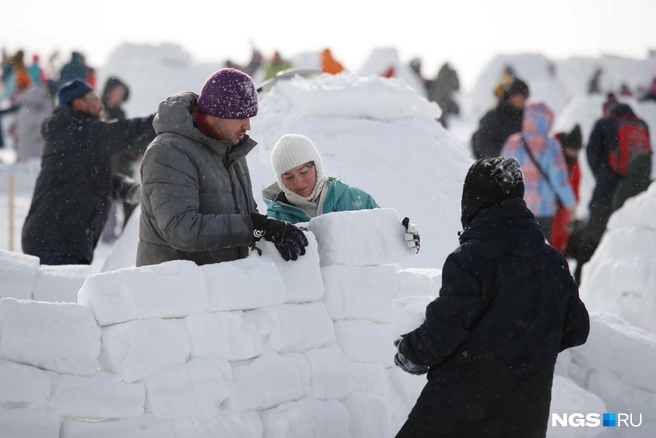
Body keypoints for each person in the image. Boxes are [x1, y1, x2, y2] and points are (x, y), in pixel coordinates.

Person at [394, 156, 590, 438]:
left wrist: (407, 351)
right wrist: (525, 349)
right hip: (524, 420)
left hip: (455, 416)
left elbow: (443, 333)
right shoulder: (554, 262)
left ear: (474, 200)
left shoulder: (470, 259)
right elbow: (577, 329)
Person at [137, 68, 308, 267]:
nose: (248, 125)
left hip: (220, 286)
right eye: (240, 116)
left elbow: (245, 217)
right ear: (216, 112)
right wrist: (256, 227)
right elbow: (183, 230)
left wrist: (272, 230)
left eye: (250, 116)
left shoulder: (230, 149)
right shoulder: (169, 152)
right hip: (176, 289)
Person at [21, 80, 156, 265]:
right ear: (79, 103)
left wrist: (129, 190)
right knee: (59, 293)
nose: (101, 105)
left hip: (61, 237)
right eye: (95, 100)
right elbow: (128, 132)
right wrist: (165, 118)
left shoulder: (75, 133)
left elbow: (88, 178)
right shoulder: (79, 132)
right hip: (56, 238)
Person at [263, 133, 421, 253]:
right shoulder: (275, 218)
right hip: (308, 296)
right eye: (288, 177)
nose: (298, 182)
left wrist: (403, 237)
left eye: (303, 172)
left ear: (316, 167)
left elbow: (384, 237)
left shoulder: (355, 200)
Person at [574, 102, 651, 284]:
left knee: (592, 240)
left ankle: (580, 285)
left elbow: (592, 154)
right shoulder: (642, 125)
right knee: (627, 243)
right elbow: (645, 161)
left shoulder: (603, 123)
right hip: (635, 197)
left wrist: (603, 175)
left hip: (606, 194)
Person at [501, 103, 576, 242]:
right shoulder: (551, 145)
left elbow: (501, 178)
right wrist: (571, 205)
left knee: (515, 253)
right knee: (537, 255)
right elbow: (560, 180)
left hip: (516, 209)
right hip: (542, 210)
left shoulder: (511, 143)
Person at [100, 76, 139, 242]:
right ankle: (107, 238)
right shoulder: (100, 112)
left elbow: (126, 141)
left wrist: (136, 153)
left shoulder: (121, 114)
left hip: (123, 167)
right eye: (115, 92)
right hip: (106, 168)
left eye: (121, 94)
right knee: (107, 209)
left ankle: (126, 240)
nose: (118, 97)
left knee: (130, 205)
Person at [471, 78, 529, 159]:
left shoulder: (526, 117)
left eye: (525, 97)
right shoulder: (495, 116)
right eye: (521, 96)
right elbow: (482, 141)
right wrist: (501, 159)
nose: (523, 100)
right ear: (511, 95)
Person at [551, 125, 583, 253]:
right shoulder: (553, 152)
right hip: (548, 203)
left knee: (562, 235)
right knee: (549, 236)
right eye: (571, 149)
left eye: (576, 151)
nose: (573, 153)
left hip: (564, 206)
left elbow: (576, 181)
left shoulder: (573, 160)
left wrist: (573, 205)